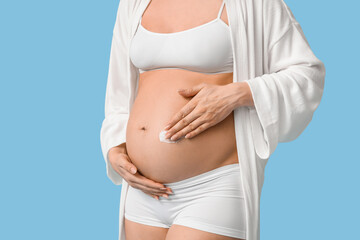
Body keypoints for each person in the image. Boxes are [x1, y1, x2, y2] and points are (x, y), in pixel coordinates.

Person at [100, 0, 326, 240]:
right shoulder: (133, 3)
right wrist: (115, 149)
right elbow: (119, 92)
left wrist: (237, 94)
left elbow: (307, 75)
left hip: (212, 187)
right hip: (142, 191)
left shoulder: (254, 3)